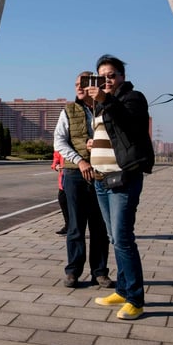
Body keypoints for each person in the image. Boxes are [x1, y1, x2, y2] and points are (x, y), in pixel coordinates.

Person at [85, 56, 154, 319]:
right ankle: (123, 290)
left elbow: (128, 123)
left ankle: (136, 299)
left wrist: (104, 100)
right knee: (114, 237)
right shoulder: (101, 106)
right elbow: (111, 135)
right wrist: (94, 143)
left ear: (122, 76)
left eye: (112, 75)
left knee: (124, 239)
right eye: (102, 76)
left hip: (123, 178)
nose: (107, 80)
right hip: (102, 179)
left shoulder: (133, 98)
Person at [53, 71, 111, 287]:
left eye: (84, 83)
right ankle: (73, 271)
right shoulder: (68, 111)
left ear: (95, 84)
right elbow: (59, 142)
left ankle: (100, 272)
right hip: (75, 174)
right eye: (76, 83)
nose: (79, 87)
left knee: (100, 227)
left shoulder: (106, 107)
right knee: (76, 227)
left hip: (102, 173)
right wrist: (80, 160)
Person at [51, 150, 69, 235]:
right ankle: (68, 225)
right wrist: (56, 165)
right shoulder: (61, 144)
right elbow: (56, 157)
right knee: (63, 202)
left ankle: (75, 227)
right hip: (63, 180)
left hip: (76, 175)